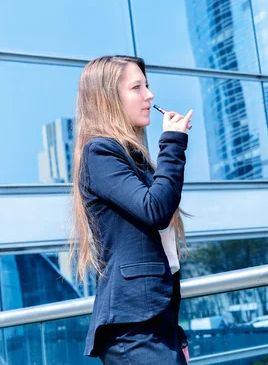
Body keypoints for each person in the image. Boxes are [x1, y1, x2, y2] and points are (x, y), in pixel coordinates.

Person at [69, 55, 192, 364]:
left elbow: (161, 252)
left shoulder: (134, 159)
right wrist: (173, 144)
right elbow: (156, 210)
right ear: (108, 98)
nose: (149, 95)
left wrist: (175, 333)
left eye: (147, 86)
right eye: (137, 87)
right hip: (133, 330)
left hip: (154, 323)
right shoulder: (99, 152)